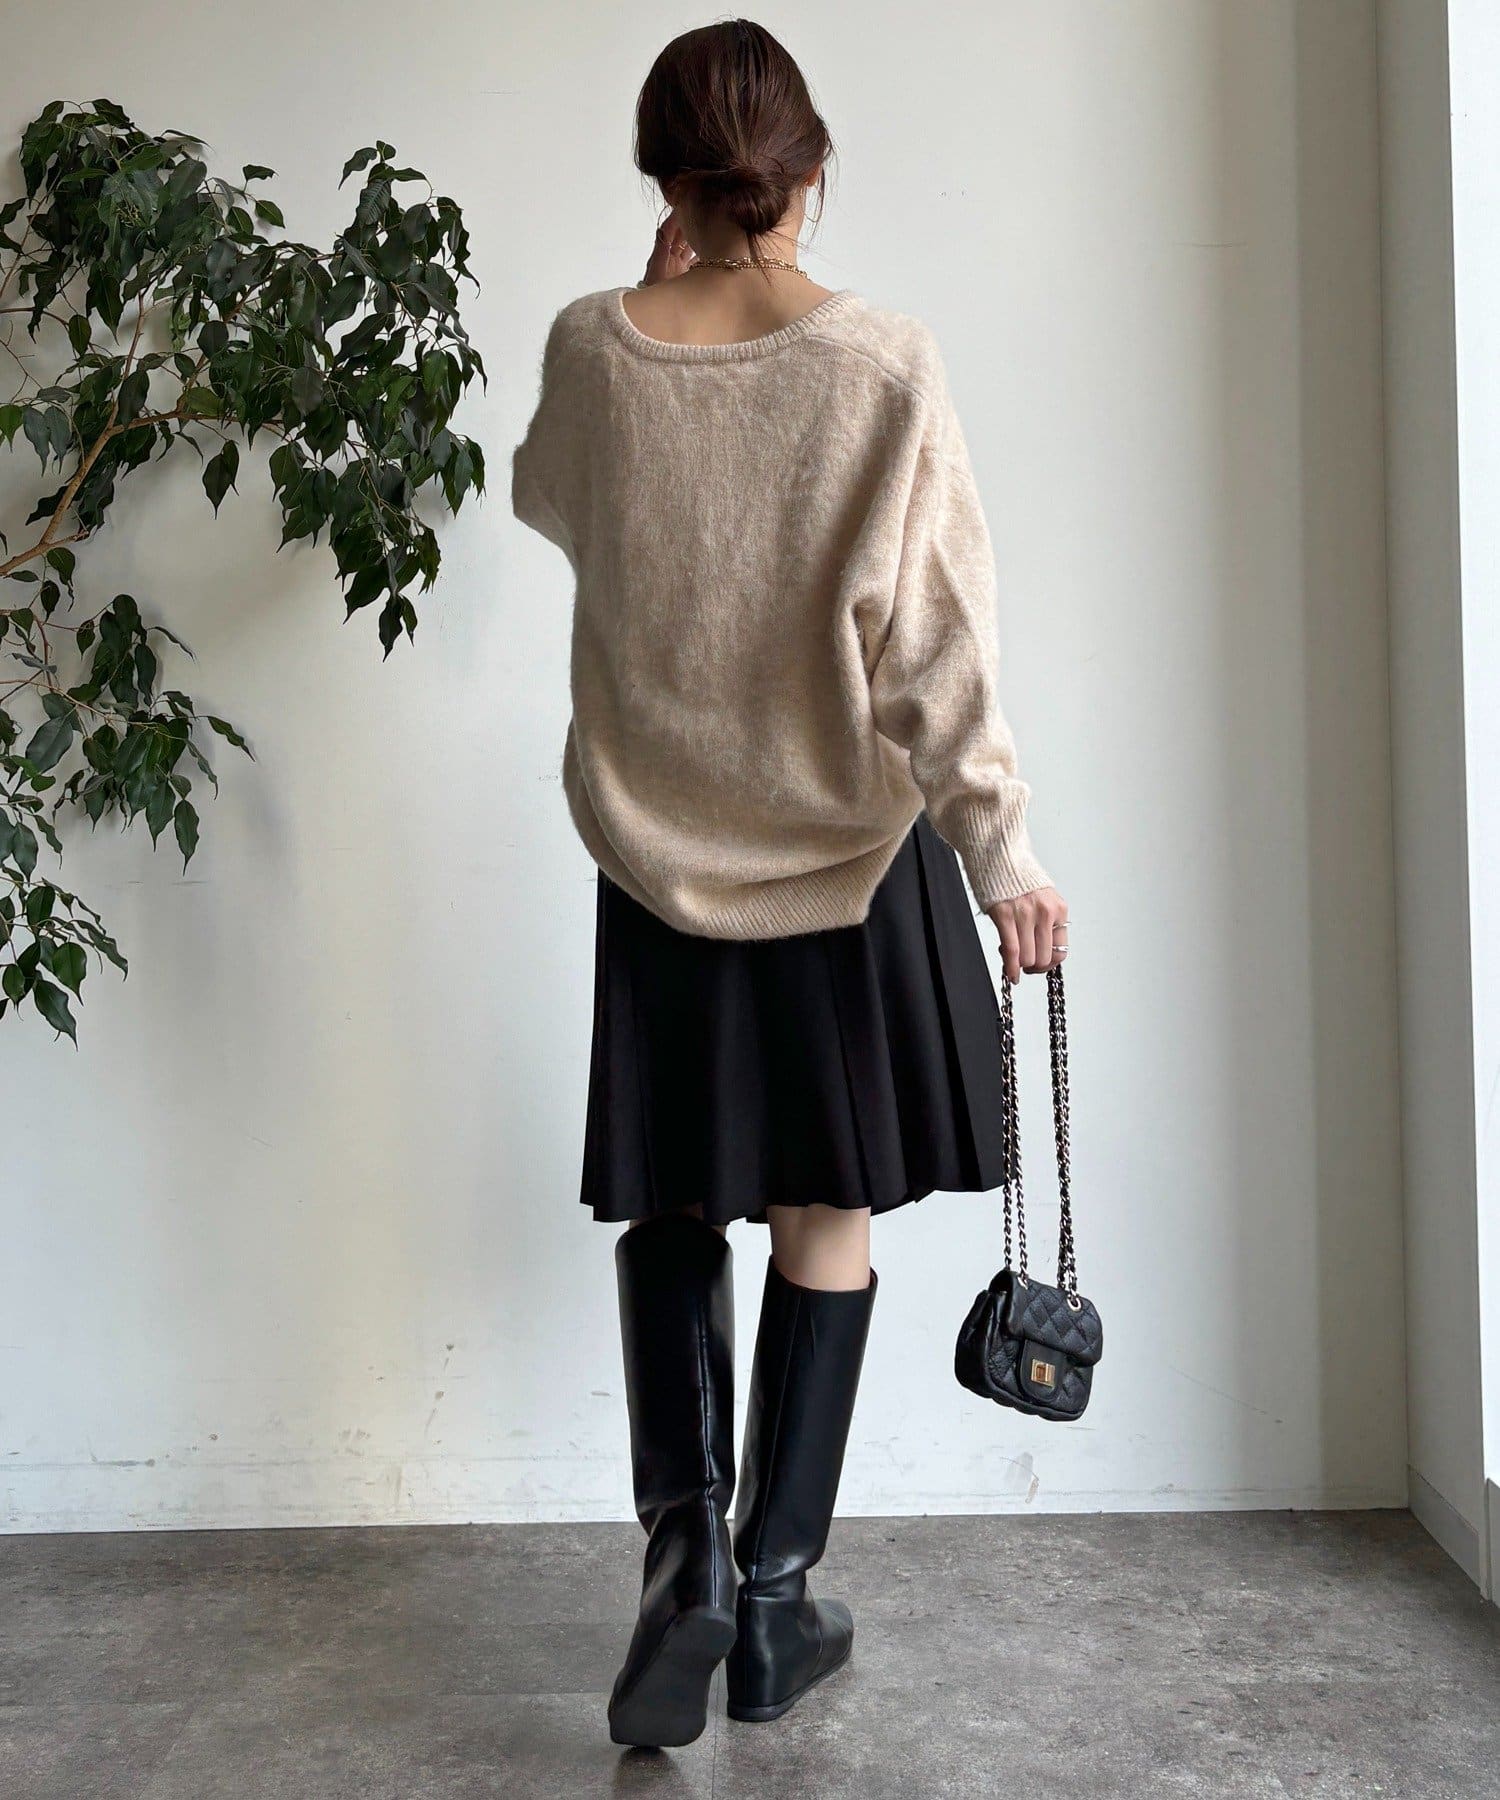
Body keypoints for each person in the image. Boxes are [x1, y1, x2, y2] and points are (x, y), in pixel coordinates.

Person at [511, 17, 1068, 1751]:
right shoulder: (882, 363)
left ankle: (680, 1558)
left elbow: (546, 501)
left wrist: (645, 299)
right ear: (809, 172)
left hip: (657, 857)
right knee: (825, 1210)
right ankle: (770, 1602)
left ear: (665, 181)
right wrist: (1003, 850)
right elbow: (936, 645)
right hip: (843, 858)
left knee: (676, 1202)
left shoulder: (593, 348)